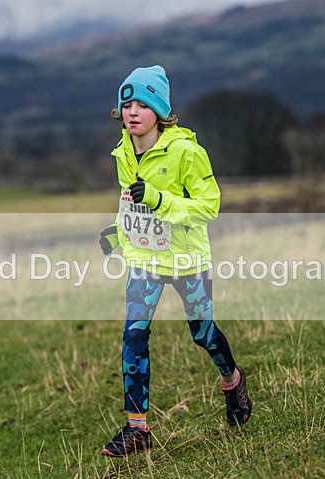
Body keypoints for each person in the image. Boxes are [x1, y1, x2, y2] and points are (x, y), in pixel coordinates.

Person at [98, 65, 252, 458]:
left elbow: (210, 206)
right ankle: (137, 429)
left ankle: (232, 380)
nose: (132, 112)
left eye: (142, 104)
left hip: (187, 260)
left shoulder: (187, 152)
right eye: (126, 104)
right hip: (144, 260)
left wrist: (160, 200)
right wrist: (117, 234)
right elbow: (129, 201)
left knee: (202, 334)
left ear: (159, 110)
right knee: (134, 334)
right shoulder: (122, 151)